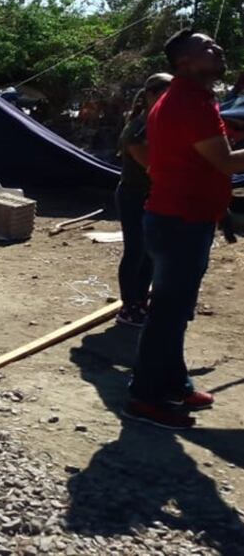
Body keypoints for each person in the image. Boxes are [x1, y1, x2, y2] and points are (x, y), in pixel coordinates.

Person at [127, 29, 244, 429]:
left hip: (182, 218)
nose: (218, 48)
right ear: (185, 62)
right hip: (180, 222)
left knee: (174, 311)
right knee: (167, 314)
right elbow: (227, 163)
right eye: (207, 47)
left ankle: (175, 382)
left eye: (217, 43)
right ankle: (144, 396)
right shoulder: (188, 103)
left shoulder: (191, 98)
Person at [115, 73, 173, 328]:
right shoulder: (137, 131)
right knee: (135, 251)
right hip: (134, 196)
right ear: (152, 95)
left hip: (155, 196)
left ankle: (141, 300)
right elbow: (154, 167)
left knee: (150, 253)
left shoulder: (163, 124)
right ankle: (129, 306)